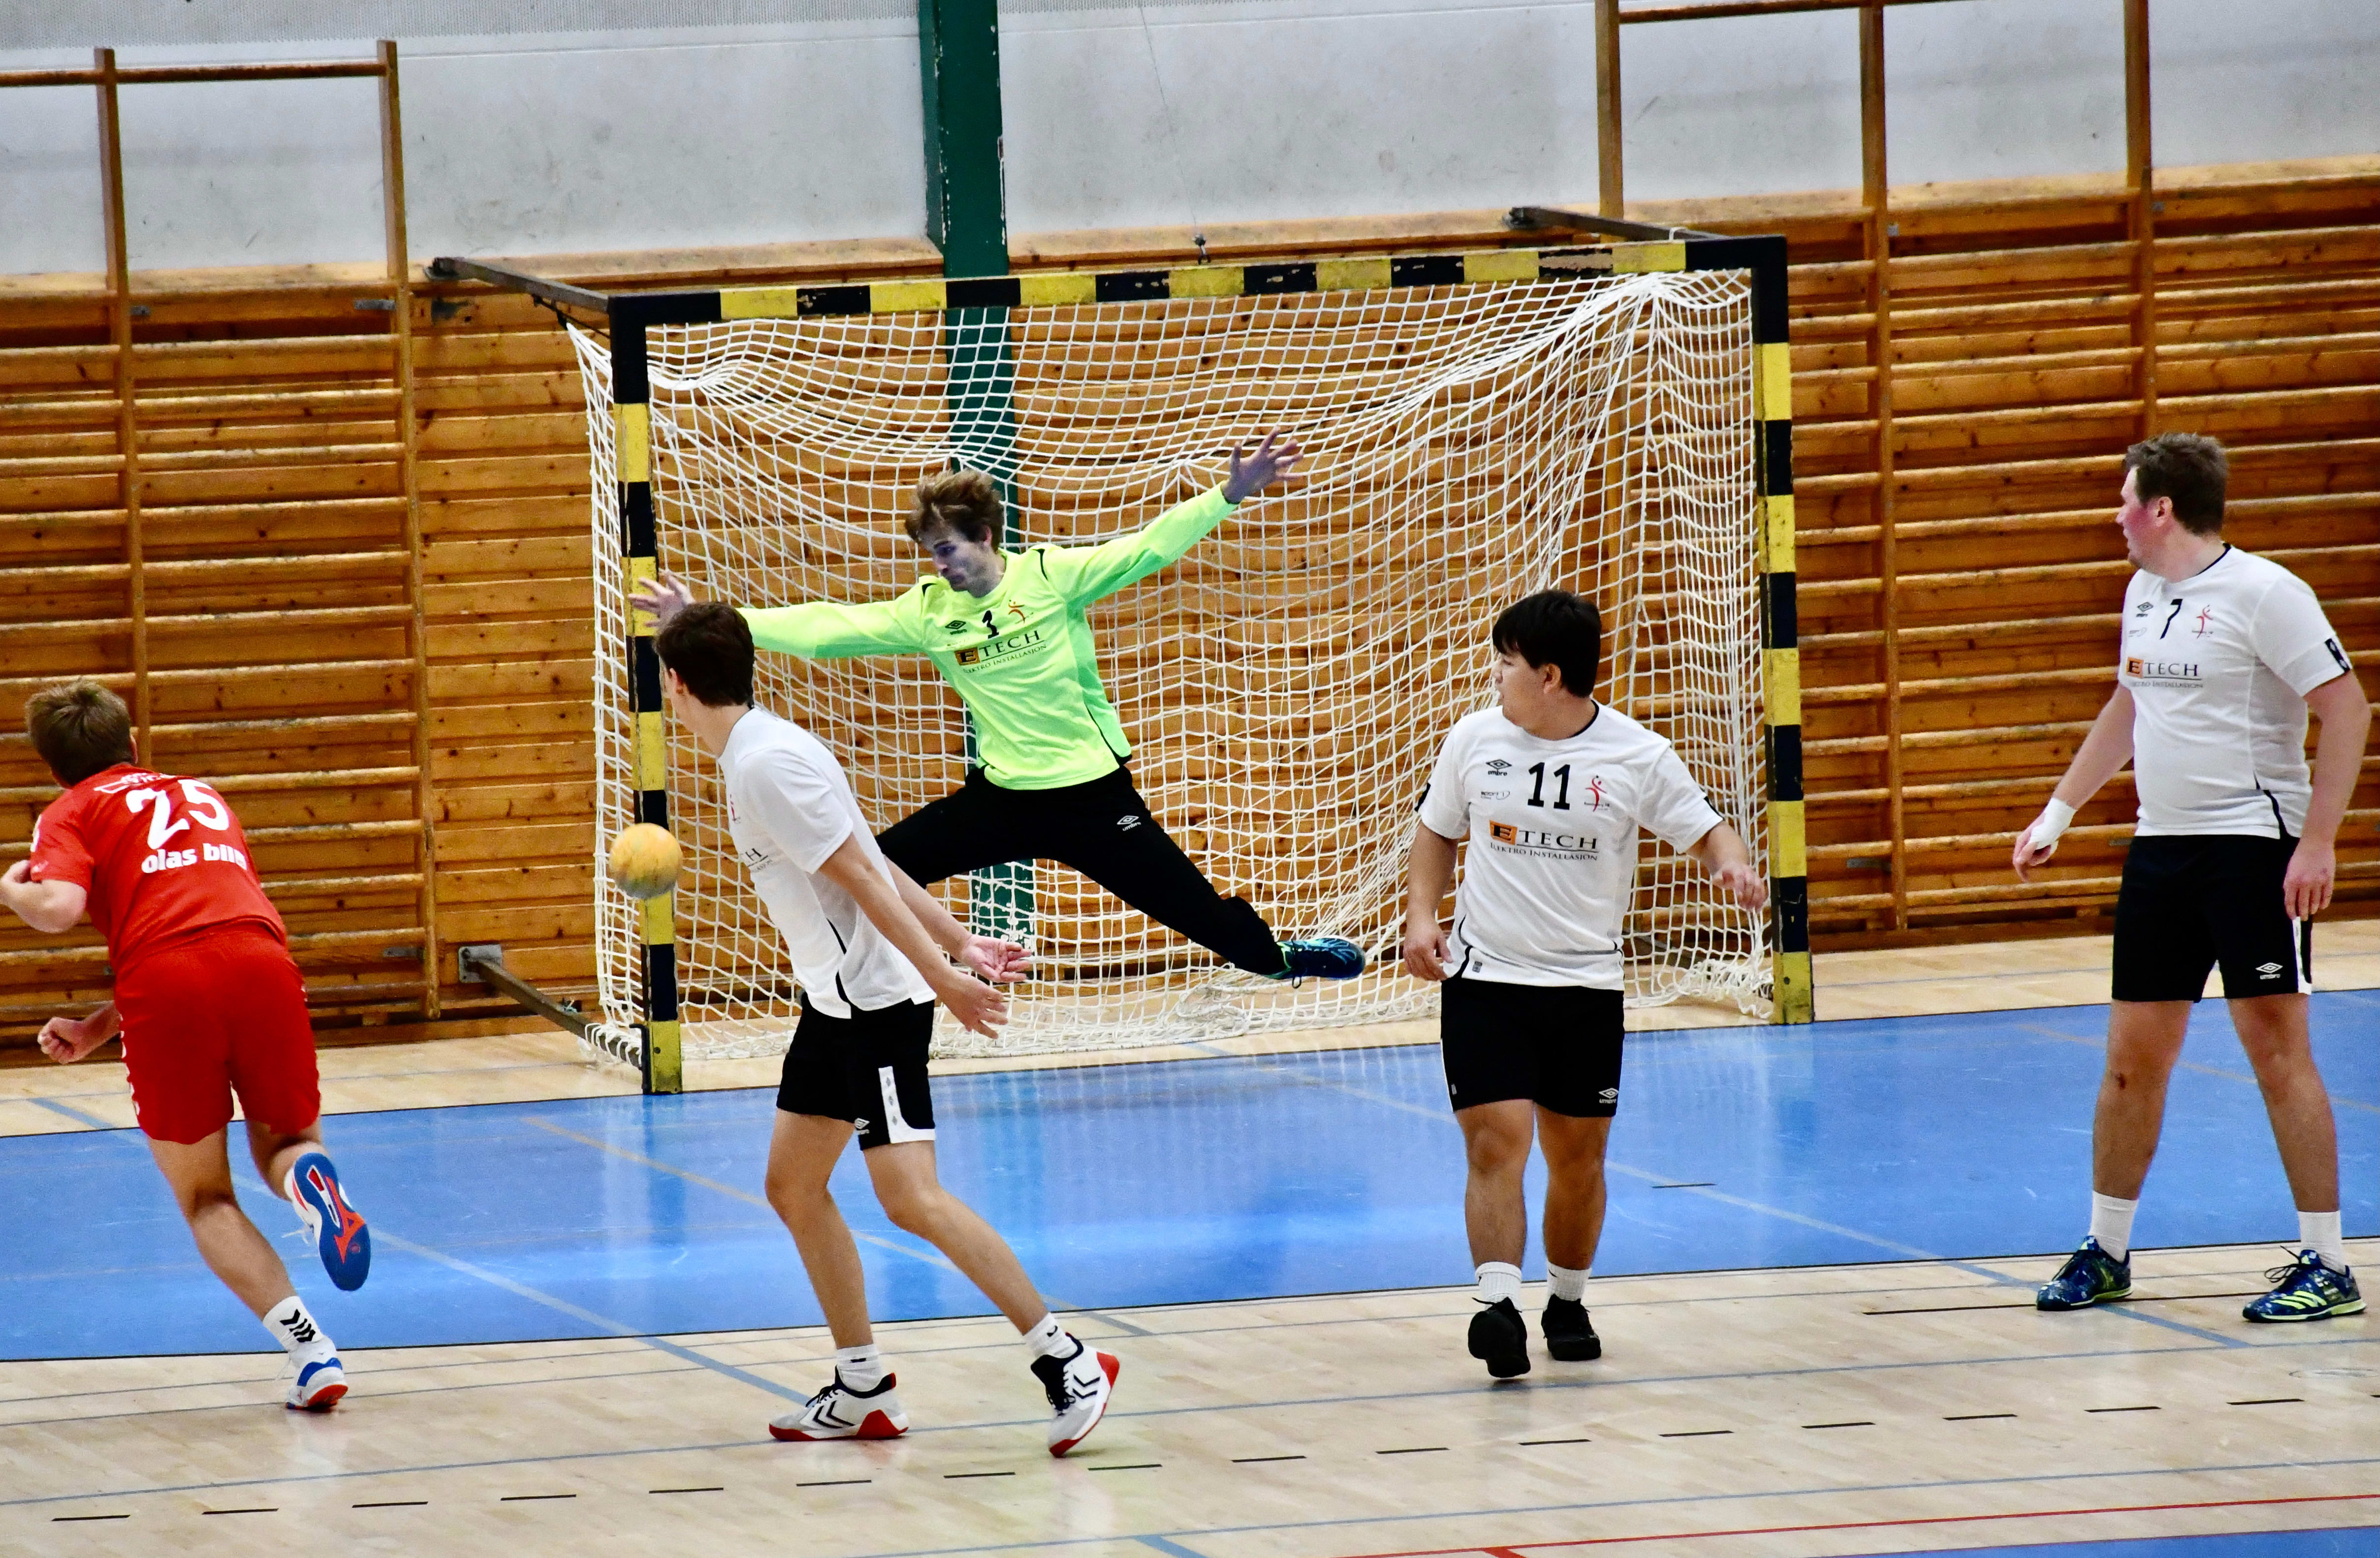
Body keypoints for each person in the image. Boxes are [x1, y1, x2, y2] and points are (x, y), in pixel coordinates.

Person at [633, 435, 1365, 985]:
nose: (939, 565)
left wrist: (1227, 494)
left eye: (947, 549)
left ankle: (1274, 958)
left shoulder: (1052, 577)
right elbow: (830, 629)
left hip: (1091, 795)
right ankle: (880, 992)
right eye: (930, 553)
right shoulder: (931, 612)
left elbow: (1147, 549)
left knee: (1193, 910)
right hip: (1003, 800)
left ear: (984, 537)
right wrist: (706, 618)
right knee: (880, 866)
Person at [653, 602, 1121, 1456]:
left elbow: (865, 881)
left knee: (911, 1198)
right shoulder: (763, 748)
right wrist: (961, 940)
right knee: (793, 1186)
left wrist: (946, 978)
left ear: (676, 684)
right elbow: (874, 858)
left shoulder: (767, 765)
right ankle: (862, 1384)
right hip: (833, 1002)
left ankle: (1068, 1359)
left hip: (875, 1005)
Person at [2017, 433, 2368, 1322]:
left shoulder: (2267, 593)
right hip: (2161, 852)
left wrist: (2317, 843)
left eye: (2125, 500)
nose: (2117, 515)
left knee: (2278, 1054)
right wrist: (2058, 811)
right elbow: (2128, 703)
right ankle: (2106, 1251)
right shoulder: (2143, 592)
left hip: (2251, 850)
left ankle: (2329, 1264)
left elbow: (2347, 708)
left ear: (2162, 508)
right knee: (2130, 1062)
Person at [1401, 591, 1769, 1380]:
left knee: (1578, 1157)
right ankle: (1497, 1305)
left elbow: (1708, 829)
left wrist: (1732, 865)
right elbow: (1435, 829)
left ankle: (1566, 1301)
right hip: (1488, 979)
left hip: (1584, 988)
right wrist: (1422, 915)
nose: (1496, 676)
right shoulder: (1473, 739)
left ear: (1550, 676)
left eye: (1507, 663)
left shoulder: (1637, 754)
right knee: (1495, 1141)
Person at [0, 679, 368, 1410]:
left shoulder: (70, 810)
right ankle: (312, 1183)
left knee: (206, 1198)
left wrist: (11, 890)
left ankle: (313, 1353)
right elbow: (202, 924)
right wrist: (97, 1027)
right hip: (261, 961)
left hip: (166, 984)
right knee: (290, 1142)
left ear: (55, 769)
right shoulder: (202, 794)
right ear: (133, 743)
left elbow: (65, 909)